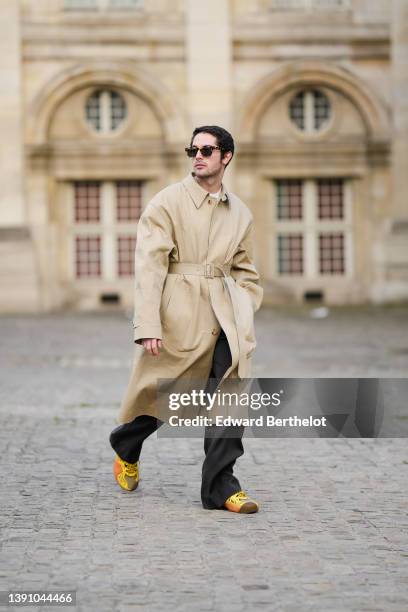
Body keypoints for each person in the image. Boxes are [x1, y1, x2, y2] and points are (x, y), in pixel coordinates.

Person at [109, 125, 263, 513]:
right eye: (193, 149)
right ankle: (126, 444)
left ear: (226, 156)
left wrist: (244, 305)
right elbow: (149, 268)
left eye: (207, 150)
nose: (198, 155)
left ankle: (221, 487)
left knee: (230, 394)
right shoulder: (166, 203)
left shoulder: (240, 211)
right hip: (180, 313)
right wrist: (148, 325)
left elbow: (245, 269)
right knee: (167, 395)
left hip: (226, 317)